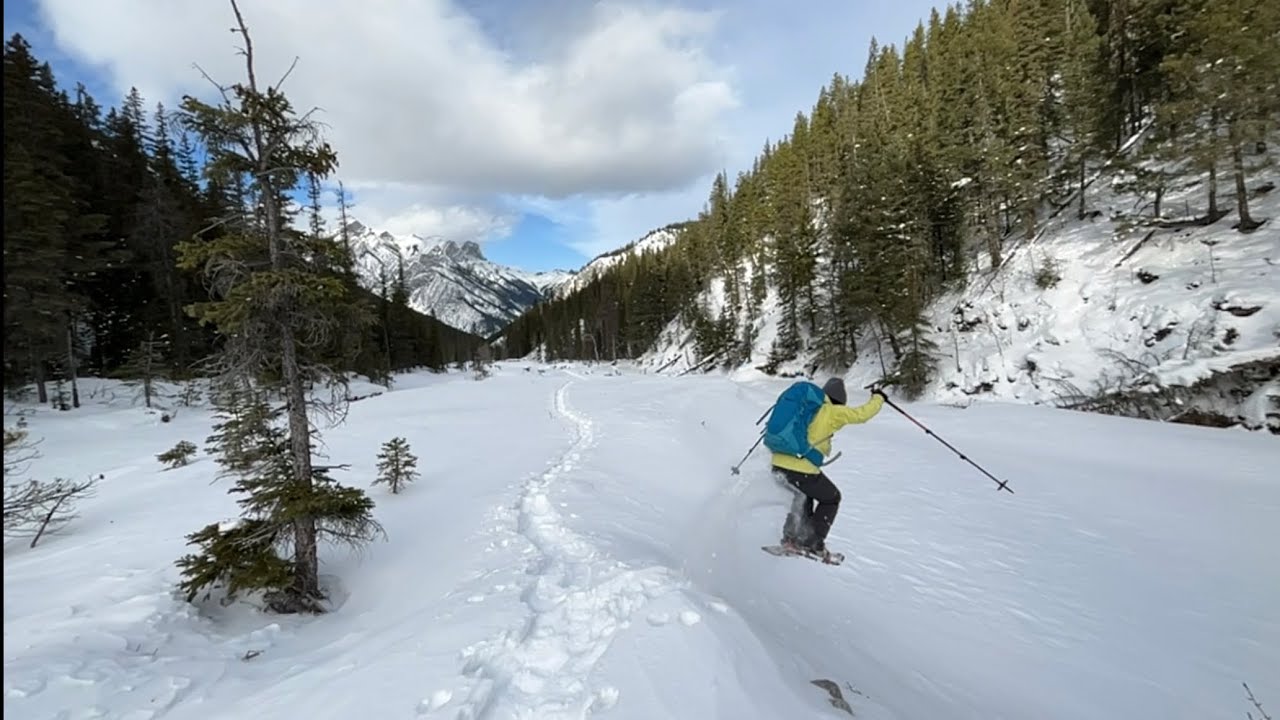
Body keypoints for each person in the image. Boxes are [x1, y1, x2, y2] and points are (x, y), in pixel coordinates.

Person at [771, 377, 885, 559]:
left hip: (778, 462)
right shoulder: (832, 411)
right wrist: (878, 397)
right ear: (840, 400)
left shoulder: (808, 408)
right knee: (831, 498)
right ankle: (811, 542)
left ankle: (791, 539)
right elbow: (861, 415)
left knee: (803, 495)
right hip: (800, 466)